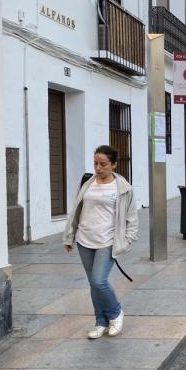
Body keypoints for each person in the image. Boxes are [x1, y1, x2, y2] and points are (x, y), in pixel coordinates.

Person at [63, 145, 138, 339]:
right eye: (95, 163)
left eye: (103, 164)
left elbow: (131, 218)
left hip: (108, 240)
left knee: (99, 280)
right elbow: (77, 210)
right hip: (84, 239)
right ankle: (100, 322)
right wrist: (70, 236)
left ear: (113, 164)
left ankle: (115, 312)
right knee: (93, 284)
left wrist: (127, 240)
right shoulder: (88, 183)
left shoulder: (123, 188)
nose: (98, 168)